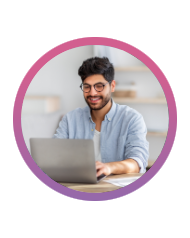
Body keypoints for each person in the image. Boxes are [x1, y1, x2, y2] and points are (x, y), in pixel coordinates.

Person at [53, 57, 149, 177]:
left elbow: (137, 162)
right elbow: (54, 156)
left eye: (99, 86)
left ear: (112, 86)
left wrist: (108, 167)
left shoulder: (132, 119)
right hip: (78, 187)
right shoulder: (70, 119)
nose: (92, 93)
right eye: (87, 86)